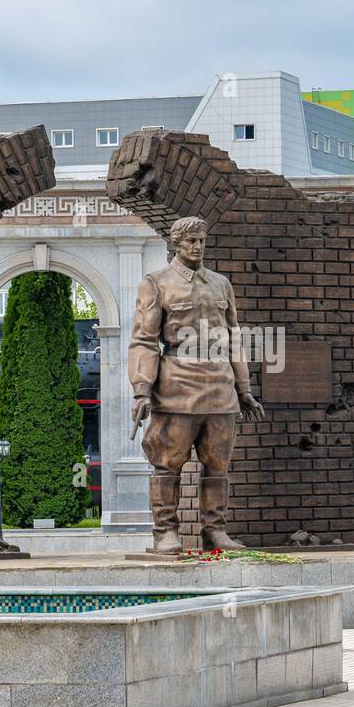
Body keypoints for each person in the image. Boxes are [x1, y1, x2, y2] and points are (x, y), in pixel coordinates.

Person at [128, 216, 266, 554]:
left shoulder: (221, 284)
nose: (197, 246)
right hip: (177, 385)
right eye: (190, 240)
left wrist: (244, 388)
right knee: (168, 462)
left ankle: (215, 530)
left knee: (217, 463)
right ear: (176, 243)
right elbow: (144, 340)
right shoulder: (156, 283)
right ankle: (165, 532)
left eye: (201, 240)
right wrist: (142, 388)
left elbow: (234, 339)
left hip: (220, 386)